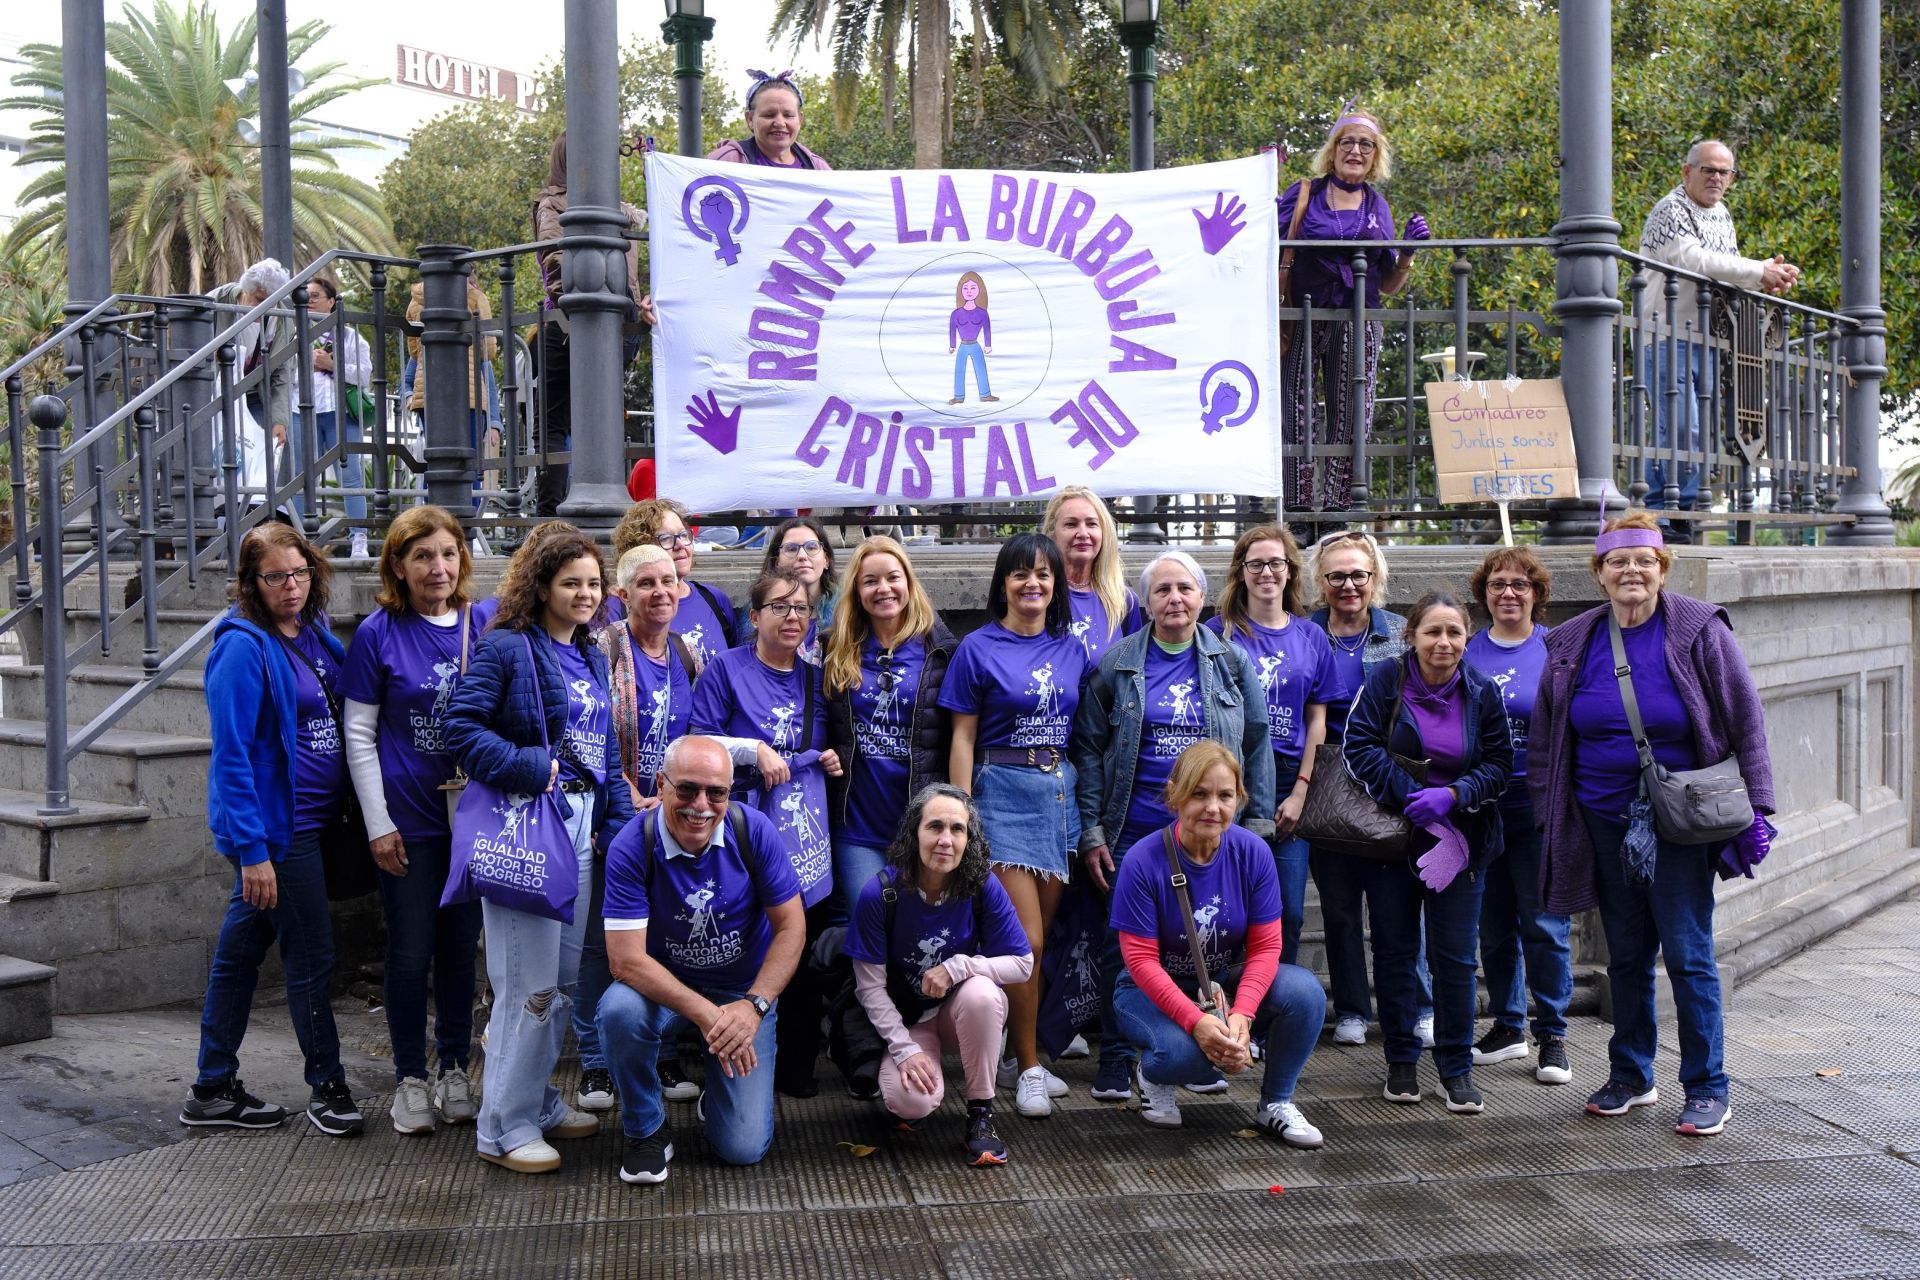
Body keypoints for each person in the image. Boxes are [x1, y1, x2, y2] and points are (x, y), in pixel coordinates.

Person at [1531, 509, 1775, 1137]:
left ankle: (1707, 1085)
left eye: (1644, 561)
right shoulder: (1572, 639)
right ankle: (1633, 1074)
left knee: (1689, 954)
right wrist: (1547, 811)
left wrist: (1760, 806)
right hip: (1602, 820)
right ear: (1600, 572)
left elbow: (1745, 718)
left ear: (1663, 569)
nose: (1631, 571)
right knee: (1627, 954)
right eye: (1618, 562)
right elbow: (1546, 736)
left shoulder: (1697, 630)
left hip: (1677, 822)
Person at [443, 525, 635, 1173]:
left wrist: (608, 815)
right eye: (570, 583)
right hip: (531, 824)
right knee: (526, 985)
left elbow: (603, 745)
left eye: (593, 584)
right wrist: (529, 766)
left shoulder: (587, 651)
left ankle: (535, 1098)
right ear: (542, 586)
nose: (585, 594)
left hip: (581, 825)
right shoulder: (506, 648)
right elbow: (460, 730)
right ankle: (502, 1126)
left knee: (559, 982)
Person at [1071, 551, 1276, 1103]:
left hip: (1212, 834)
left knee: (1201, 945)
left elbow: (1256, 743)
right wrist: (1091, 829)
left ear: (1202, 597)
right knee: (1125, 952)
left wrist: (1254, 827)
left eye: (1184, 588)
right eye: (1161, 590)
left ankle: (1198, 1040)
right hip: (1134, 831)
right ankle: (1116, 1057)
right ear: (1146, 601)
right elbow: (1090, 750)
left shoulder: (1231, 664)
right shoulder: (1116, 665)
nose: (1174, 599)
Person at [183, 524, 361, 1137]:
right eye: (276, 577)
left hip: (313, 823)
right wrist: (254, 853)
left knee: (237, 958)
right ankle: (328, 1086)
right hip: (284, 834)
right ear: (251, 583)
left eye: (300, 573)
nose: (291, 587)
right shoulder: (241, 647)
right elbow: (231, 756)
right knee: (312, 955)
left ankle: (211, 1087)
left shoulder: (310, 634)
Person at [596, 736, 806, 1183]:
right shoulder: (633, 845)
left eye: (717, 793)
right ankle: (646, 1129)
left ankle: (719, 1097)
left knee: (742, 1149)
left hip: (742, 992)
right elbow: (625, 961)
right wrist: (709, 1016)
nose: (702, 805)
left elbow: (792, 927)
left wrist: (756, 1005)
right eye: (687, 789)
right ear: (662, 785)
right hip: (666, 989)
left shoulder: (754, 830)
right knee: (618, 1009)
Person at [340, 505, 485, 1135]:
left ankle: (455, 1067)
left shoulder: (482, 625)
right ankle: (409, 1077)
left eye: (448, 553)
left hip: (472, 822)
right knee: (409, 954)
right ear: (398, 566)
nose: (438, 567)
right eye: (423, 556)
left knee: (460, 954)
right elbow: (359, 732)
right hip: (410, 824)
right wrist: (377, 822)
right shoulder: (378, 632)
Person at [1344, 589, 1513, 1114]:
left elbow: (1502, 764)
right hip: (1394, 841)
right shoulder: (1386, 681)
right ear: (1411, 635)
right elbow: (1358, 746)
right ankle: (1400, 1061)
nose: (1444, 642)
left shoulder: (1481, 691)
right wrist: (1407, 794)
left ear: (1466, 638)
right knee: (1395, 954)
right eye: (1432, 632)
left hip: (1461, 845)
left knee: (1456, 961)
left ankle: (1457, 1068)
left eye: (1454, 632)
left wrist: (1454, 795)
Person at [938, 533, 1088, 1119]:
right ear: (1003, 582)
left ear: (1056, 586)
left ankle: (1009, 1053)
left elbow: (1083, 732)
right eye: (1021, 574)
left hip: (1060, 796)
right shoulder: (977, 647)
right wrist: (962, 815)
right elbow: (963, 737)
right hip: (1000, 794)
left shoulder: (1071, 649)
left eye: (1044, 575)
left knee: (1041, 939)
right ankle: (1028, 1067)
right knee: (1026, 942)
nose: (1033, 584)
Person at [1109, 741, 1327, 1145]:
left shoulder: (1253, 852)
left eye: (1225, 796)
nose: (1213, 807)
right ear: (1175, 794)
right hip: (1147, 991)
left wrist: (1242, 1015)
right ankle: (1151, 1075)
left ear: (1239, 799)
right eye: (1199, 793)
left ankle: (1275, 1103)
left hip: (1220, 982)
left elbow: (1265, 948)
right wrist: (1199, 1023)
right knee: (1188, 1056)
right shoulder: (1143, 859)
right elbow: (1140, 961)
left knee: (1305, 992)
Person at [691, 571, 844, 1097]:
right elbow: (698, 740)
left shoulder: (814, 678)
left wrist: (827, 757)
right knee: (742, 936)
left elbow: (831, 739)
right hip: (740, 827)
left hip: (803, 829)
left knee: (798, 940)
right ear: (754, 618)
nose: (793, 617)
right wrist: (750, 749)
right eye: (779, 607)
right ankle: (727, 1053)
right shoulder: (725, 669)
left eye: (802, 608)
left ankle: (795, 1064)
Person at [572, 545, 703, 1118]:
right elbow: (588, 730)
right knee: (604, 942)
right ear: (621, 596)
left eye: (668, 580)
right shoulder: (604, 648)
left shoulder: (687, 653)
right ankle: (596, 1061)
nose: (661, 592)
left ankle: (663, 1051)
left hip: (673, 815)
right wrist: (621, 792)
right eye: (645, 583)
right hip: (618, 814)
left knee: (666, 935)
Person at [848, 784, 1030, 1164]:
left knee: (984, 992)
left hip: (958, 1011)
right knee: (910, 1102)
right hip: (908, 1018)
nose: (945, 840)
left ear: (970, 838)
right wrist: (904, 1050)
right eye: (934, 827)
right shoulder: (880, 894)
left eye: (957, 829)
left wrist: (960, 965)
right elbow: (869, 989)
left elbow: (1022, 963)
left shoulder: (981, 886)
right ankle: (917, 1090)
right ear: (914, 833)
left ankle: (981, 1114)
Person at [1304, 530, 1427, 1047]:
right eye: (1337, 576)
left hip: (1387, 783)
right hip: (1326, 785)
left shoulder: (1401, 634)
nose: (1348, 585)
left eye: (1359, 575)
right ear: (1320, 581)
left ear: (1375, 579)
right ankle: (1352, 1007)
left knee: (1398, 905)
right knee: (1339, 905)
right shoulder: (1304, 634)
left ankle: (1417, 1005)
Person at [1637, 139, 1801, 518]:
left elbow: (1723, 269)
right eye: (1708, 169)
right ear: (1687, 172)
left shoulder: (1722, 215)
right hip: (1665, 336)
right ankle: (1665, 511)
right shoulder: (1670, 209)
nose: (1716, 178)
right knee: (1680, 426)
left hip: (1707, 337)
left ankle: (1683, 510)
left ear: (1731, 177)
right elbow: (1693, 260)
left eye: (1723, 172)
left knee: (1697, 429)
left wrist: (1768, 275)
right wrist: (1759, 270)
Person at [1279, 109, 1430, 516]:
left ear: (1375, 155)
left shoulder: (1377, 206)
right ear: (1333, 151)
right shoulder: (1305, 193)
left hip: (1358, 320)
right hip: (1304, 316)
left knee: (1351, 415)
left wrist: (1407, 254)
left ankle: (1337, 510)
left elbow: (1387, 284)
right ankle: (1300, 510)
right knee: (1297, 410)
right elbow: (1266, 241)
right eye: (1347, 142)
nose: (1356, 151)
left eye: (1366, 145)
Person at [1463, 547, 1574, 1086]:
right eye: (1497, 584)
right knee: (1494, 925)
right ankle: (1509, 1026)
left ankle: (1553, 1033)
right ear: (1484, 594)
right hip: (1481, 812)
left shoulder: (1555, 650)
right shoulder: (1466, 652)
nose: (1508, 593)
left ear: (1537, 594)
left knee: (1545, 925)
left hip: (1537, 811)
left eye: (1520, 584)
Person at [1209, 524, 1337, 968]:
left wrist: (1302, 790)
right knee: (1226, 904)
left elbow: (1317, 719)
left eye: (1276, 563)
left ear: (1290, 572)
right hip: (1230, 776)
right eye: (1256, 563)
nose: (1267, 572)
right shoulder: (1217, 633)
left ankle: (1271, 1014)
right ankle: (1228, 1014)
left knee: (1288, 910)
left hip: (1288, 780)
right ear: (1241, 572)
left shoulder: (1311, 637)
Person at [824, 536, 957, 924]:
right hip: (859, 825)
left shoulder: (941, 650)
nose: (883, 589)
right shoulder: (836, 648)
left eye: (893, 578)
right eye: (870, 581)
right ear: (857, 590)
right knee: (871, 921)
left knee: (919, 929)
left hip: (921, 825)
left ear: (909, 584)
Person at [533, 132, 653, 517]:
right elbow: (554, 261)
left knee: (569, 422)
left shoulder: (612, 209)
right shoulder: (604, 209)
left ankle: (562, 512)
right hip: (581, 320)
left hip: (594, 320)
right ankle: (556, 511)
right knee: (570, 421)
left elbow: (556, 264)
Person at [294, 274, 374, 559]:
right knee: (301, 476)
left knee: (351, 475)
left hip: (341, 412)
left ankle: (359, 537)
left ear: (330, 302)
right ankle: (301, 540)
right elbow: (282, 375)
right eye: (305, 296)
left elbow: (365, 374)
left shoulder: (350, 336)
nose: (309, 301)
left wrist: (332, 364)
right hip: (302, 410)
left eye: (315, 295)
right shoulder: (294, 334)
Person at [207, 258, 293, 516]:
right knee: (214, 449)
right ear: (244, 290)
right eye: (257, 299)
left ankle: (252, 509)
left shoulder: (281, 320)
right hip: (213, 393)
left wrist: (279, 420)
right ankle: (214, 508)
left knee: (262, 447)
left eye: (269, 301)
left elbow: (281, 373)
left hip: (254, 393)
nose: (262, 307)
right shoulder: (217, 301)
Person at [406, 267, 498, 506]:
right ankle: (469, 523)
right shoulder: (475, 297)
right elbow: (488, 350)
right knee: (469, 462)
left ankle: (433, 519)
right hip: (468, 393)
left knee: (436, 461)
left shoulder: (416, 301)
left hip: (428, 392)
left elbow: (414, 350)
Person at [609, 499, 737, 664]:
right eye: (666, 538)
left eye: (684, 535)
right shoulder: (616, 606)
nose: (680, 545)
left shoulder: (714, 599)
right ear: (640, 548)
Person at [1041, 486, 1142, 667]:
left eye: (1092, 524)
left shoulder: (1124, 601)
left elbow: (1133, 674)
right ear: (1052, 533)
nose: (1083, 533)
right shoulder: (1037, 594)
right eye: (1071, 524)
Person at [748, 515, 840, 661]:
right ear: (777, 561)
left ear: (826, 560)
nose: (802, 556)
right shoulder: (760, 611)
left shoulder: (847, 609)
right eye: (791, 549)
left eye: (811, 547)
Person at [708, 69, 834, 170]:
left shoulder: (818, 168)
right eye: (769, 115)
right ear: (750, 119)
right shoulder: (727, 162)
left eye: (788, 115)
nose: (779, 123)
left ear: (800, 120)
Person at [948, 271, 996, 405]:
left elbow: (987, 329)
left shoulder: (982, 313)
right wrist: (952, 345)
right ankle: (958, 397)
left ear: (980, 290)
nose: (969, 291)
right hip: (963, 346)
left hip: (975, 345)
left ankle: (985, 394)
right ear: (960, 291)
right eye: (965, 288)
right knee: (959, 369)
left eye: (973, 288)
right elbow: (952, 330)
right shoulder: (956, 314)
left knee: (981, 368)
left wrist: (988, 344)